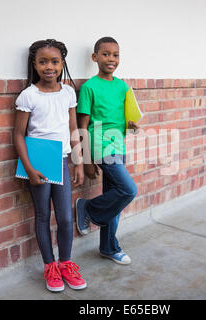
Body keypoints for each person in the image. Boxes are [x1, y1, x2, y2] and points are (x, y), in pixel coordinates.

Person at [14, 39, 86, 292]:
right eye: (42, 61)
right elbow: (18, 135)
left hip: (62, 160)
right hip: (39, 164)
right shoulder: (28, 95)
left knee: (66, 218)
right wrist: (29, 169)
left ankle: (66, 263)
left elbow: (73, 128)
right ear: (34, 64)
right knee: (43, 216)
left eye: (54, 61)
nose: (49, 67)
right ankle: (50, 267)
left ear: (62, 63)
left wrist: (77, 162)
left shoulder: (67, 92)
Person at [76, 36, 139, 265]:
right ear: (95, 57)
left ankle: (108, 247)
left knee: (115, 199)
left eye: (115, 55)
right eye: (105, 54)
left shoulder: (123, 87)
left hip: (119, 144)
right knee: (128, 190)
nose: (111, 59)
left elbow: (120, 118)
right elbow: (82, 126)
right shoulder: (89, 87)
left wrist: (130, 124)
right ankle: (88, 207)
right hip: (101, 146)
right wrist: (85, 160)